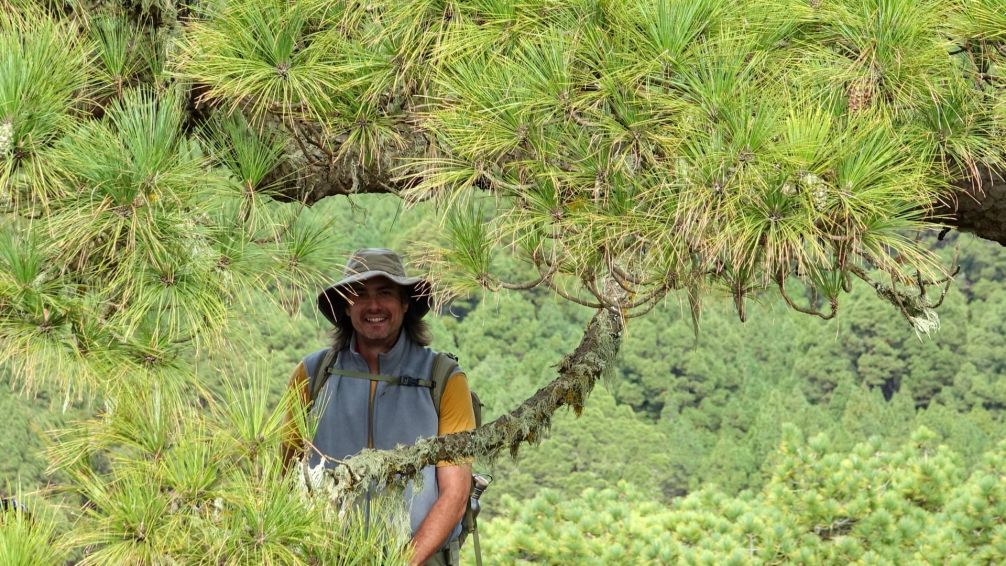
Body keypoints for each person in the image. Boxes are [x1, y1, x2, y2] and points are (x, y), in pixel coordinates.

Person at [281, 248, 476, 566]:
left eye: (385, 293)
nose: (373, 306)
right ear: (346, 306)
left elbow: (455, 493)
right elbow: (281, 474)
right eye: (359, 294)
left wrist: (403, 562)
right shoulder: (312, 375)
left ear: (405, 303)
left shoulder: (442, 378)